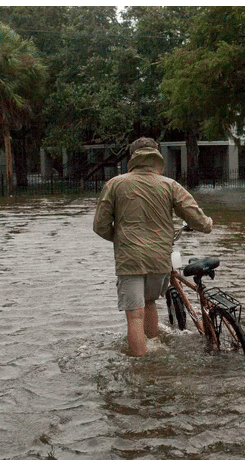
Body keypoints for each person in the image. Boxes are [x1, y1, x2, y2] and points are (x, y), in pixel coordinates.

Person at [94, 137, 213, 357]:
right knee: (150, 304)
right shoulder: (169, 185)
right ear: (157, 156)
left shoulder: (115, 184)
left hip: (130, 260)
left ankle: (140, 369)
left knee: (134, 316)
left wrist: (121, 239)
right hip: (159, 260)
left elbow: (100, 226)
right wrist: (208, 224)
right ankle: (155, 355)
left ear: (132, 157)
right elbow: (196, 217)